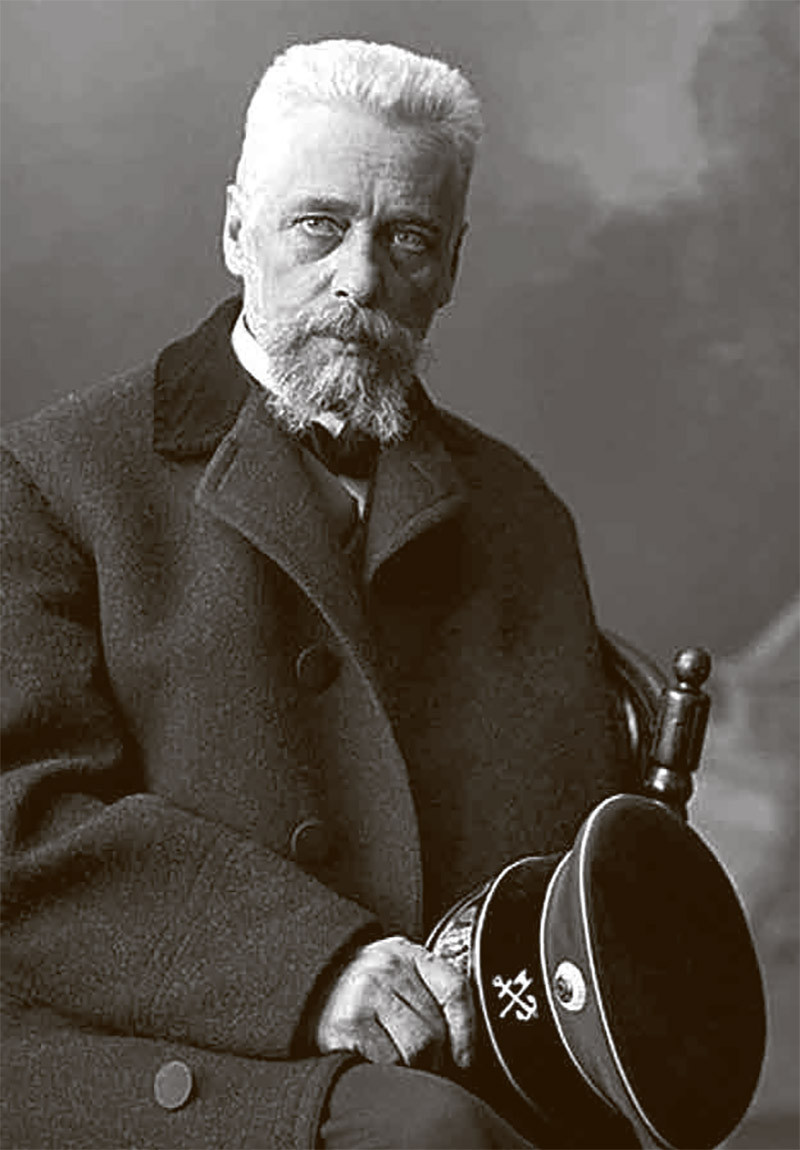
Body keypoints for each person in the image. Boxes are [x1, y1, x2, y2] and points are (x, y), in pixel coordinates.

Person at [1, 40, 639, 1149]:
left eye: (407, 239)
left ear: (450, 268)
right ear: (236, 229)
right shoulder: (53, 478)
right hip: (146, 1045)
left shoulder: (518, 513)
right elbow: (23, 824)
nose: (359, 280)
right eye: (318, 225)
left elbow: (564, 866)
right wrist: (312, 967)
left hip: (455, 1051)